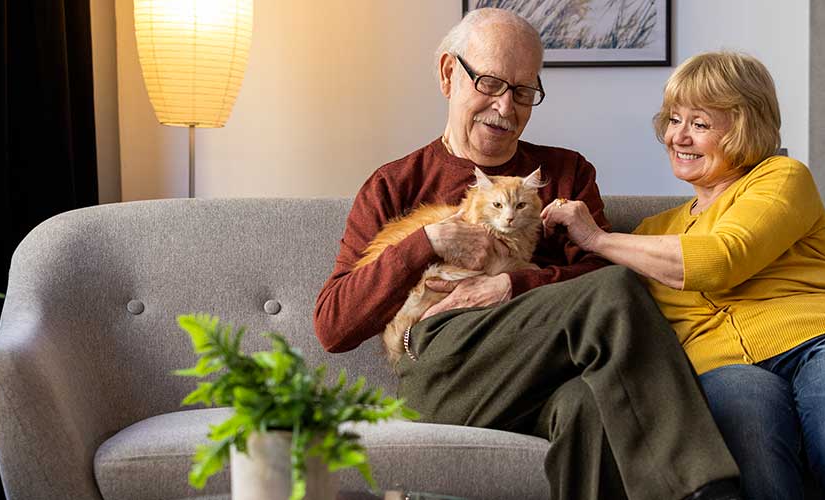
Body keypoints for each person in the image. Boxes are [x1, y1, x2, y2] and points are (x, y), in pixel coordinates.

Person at [313, 9, 742, 500]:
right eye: (491, 83)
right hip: (443, 370)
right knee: (614, 290)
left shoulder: (565, 173)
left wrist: (510, 285)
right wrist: (426, 243)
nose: (505, 106)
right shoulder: (395, 183)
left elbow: (598, 274)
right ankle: (711, 493)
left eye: (522, 92)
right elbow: (333, 326)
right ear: (449, 74)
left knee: (590, 402)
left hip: (543, 375)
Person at [542, 51, 825, 500]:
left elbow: (722, 259)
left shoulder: (780, 177)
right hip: (725, 368)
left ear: (743, 128)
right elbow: (589, 302)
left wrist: (599, 239)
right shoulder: (651, 233)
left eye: (699, 124)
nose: (677, 136)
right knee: (749, 443)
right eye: (673, 119)